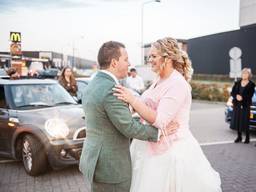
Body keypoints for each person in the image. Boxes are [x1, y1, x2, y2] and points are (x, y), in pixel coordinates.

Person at [113, 37, 222, 192]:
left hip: (171, 152)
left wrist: (133, 100)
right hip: (150, 145)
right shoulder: (158, 79)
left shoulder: (178, 84)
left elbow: (162, 121)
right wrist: (131, 106)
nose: (149, 60)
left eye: (153, 56)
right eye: (149, 56)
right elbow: (146, 105)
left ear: (168, 58)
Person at [79, 41, 178, 192]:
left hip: (94, 160)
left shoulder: (93, 84)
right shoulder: (111, 90)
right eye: (125, 59)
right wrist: (158, 133)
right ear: (114, 63)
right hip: (111, 168)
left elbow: (108, 120)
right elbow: (129, 127)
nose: (129, 63)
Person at [231, 68, 255, 144]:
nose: (244, 75)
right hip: (237, 104)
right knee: (238, 120)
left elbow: (250, 95)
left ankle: (247, 138)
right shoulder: (237, 82)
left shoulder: (251, 84)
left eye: (246, 73)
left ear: (249, 75)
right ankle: (239, 137)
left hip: (245, 105)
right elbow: (232, 92)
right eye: (243, 73)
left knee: (245, 121)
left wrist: (243, 98)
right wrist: (236, 96)